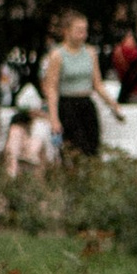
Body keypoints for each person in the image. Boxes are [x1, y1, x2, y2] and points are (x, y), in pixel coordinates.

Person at [43, 13, 107, 163]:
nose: (83, 35)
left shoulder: (90, 53)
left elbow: (97, 84)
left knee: (92, 151)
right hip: (67, 105)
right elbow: (51, 88)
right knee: (72, 151)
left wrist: (114, 105)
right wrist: (54, 119)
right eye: (79, 30)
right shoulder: (57, 55)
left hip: (86, 104)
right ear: (66, 31)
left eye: (85, 30)